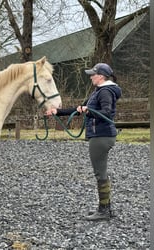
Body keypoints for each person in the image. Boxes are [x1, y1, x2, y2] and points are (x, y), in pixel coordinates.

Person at [45, 63, 122, 221]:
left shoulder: (105, 91)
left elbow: (106, 112)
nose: (90, 77)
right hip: (99, 135)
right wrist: (57, 112)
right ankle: (105, 208)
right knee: (101, 172)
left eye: (93, 74)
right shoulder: (98, 92)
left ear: (101, 76)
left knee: (100, 172)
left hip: (101, 136)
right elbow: (79, 109)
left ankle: (104, 210)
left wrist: (89, 111)